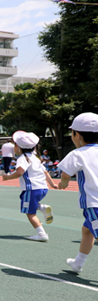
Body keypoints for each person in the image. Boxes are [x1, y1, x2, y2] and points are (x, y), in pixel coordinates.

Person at [57, 113, 98, 274]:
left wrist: (63, 184)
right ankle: (78, 263)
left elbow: (66, 174)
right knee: (87, 230)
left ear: (77, 135)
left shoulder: (78, 153)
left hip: (93, 204)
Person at [1, 131, 57, 241]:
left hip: (31, 189)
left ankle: (41, 234)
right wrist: (52, 184)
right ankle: (42, 207)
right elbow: (45, 172)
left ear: (18, 147)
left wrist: (7, 177)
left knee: (29, 213)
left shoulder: (23, 158)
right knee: (24, 199)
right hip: (42, 188)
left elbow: (20, 172)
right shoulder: (36, 158)